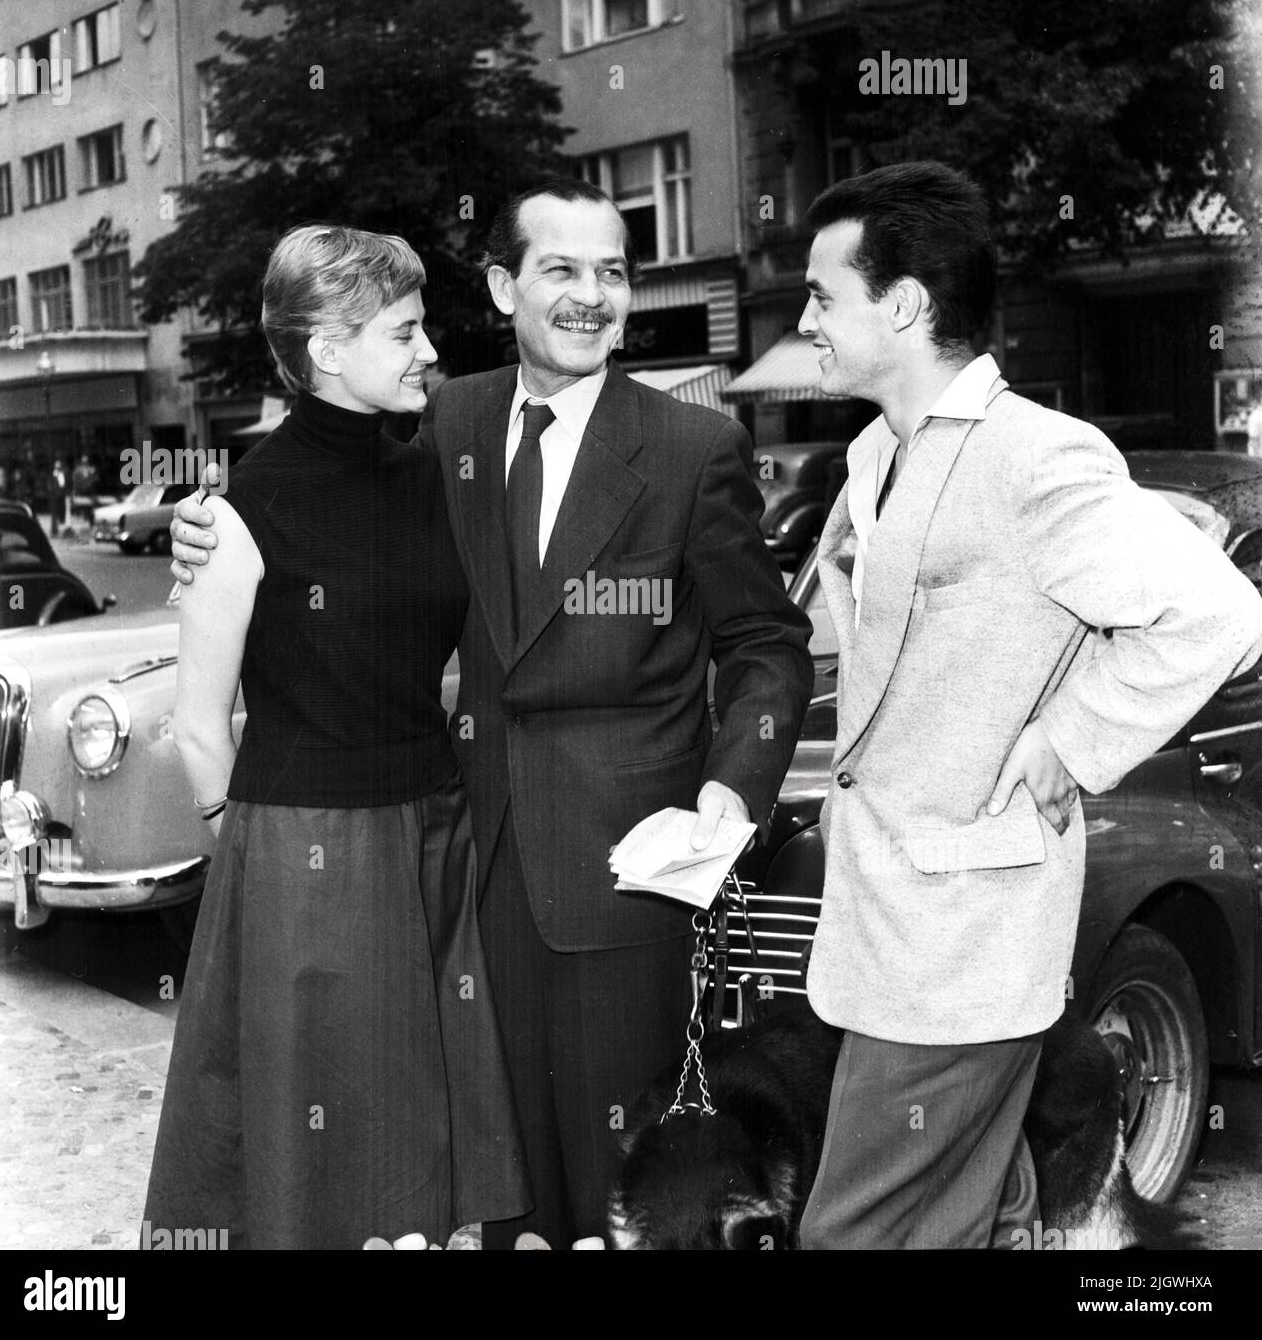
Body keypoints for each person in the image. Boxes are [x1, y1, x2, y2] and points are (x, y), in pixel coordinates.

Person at [171, 178, 814, 1248]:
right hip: (450, 876)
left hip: (625, 886)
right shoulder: (438, 420)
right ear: (507, 285)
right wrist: (209, 529)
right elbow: (309, 509)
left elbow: (766, 646)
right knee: (479, 1194)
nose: (592, 296)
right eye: (562, 269)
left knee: (633, 1197)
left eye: (613, 271)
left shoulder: (695, 447)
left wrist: (725, 792)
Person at [795, 161, 1262, 1249]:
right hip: (892, 926)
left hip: (964, 939)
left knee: (851, 1231)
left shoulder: (1032, 457)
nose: (806, 322)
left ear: (903, 305)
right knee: (977, 1218)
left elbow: (1217, 613)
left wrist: (1070, 738)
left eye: (823, 296)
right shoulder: (872, 455)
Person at [145, 225, 527, 1250]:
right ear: (325, 347)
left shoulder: (435, 471)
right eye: (402, 333)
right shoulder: (237, 512)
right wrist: (257, 868)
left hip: (432, 830)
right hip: (305, 849)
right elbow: (194, 721)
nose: (427, 352)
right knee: (321, 1141)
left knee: (417, 1131)